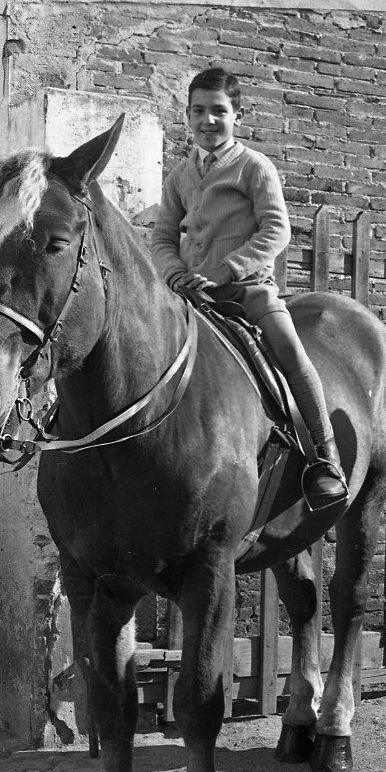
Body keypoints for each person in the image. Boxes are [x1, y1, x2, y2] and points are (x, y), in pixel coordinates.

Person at [150, 66, 348, 508]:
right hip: (190, 298)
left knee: (292, 354)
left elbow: (277, 231)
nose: (208, 121)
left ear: (237, 114)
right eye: (198, 111)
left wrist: (225, 270)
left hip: (247, 293)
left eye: (219, 111)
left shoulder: (253, 167)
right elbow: (162, 237)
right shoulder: (179, 177)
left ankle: (325, 458)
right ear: (187, 115)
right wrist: (174, 272)